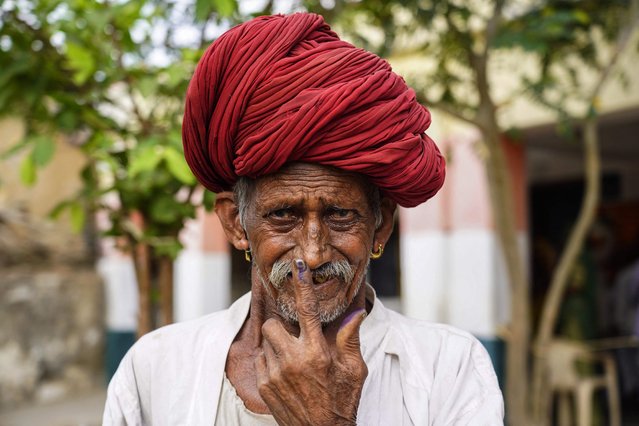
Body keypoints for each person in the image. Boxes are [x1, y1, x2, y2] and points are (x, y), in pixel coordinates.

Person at [103, 12, 503, 425]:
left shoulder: (448, 369)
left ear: (380, 225)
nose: (312, 254)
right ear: (236, 224)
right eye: (282, 215)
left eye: (341, 215)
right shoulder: (153, 370)